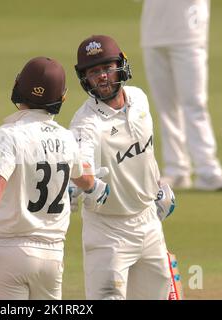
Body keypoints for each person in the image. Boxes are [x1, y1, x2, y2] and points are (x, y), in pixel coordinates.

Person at [0, 56, 110, 300]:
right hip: (51, 258)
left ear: (18, 88)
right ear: (61, 97)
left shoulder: (9, 135)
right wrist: (96, 187)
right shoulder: (66, 138)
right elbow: (85, 179)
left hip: (7, 251)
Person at [69, 34, 175, 300]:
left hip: (149, 222)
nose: (102, 77)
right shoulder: (85, 124)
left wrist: (157, 187)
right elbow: (79, 170)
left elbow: (144, 152)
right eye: (94, 72)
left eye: (107, 68)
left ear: (121, 66)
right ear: (85, 79)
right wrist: (86, 186)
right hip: (108, 233)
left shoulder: (139, 99)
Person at [140, 0, 222, 191]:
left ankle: (208, 170)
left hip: (189, 34)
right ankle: (176, 170)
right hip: (153, 34)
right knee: (166, 107)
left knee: (194, 103)